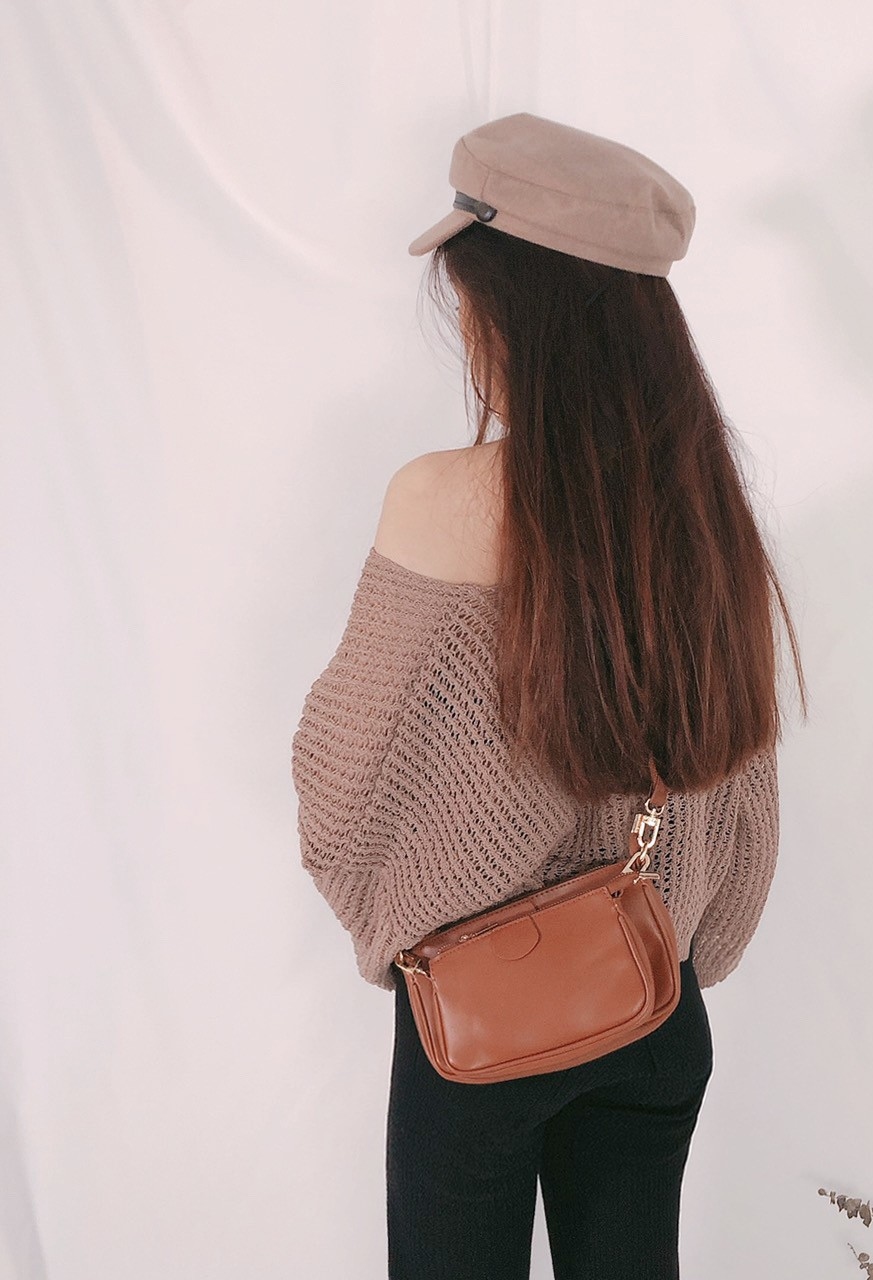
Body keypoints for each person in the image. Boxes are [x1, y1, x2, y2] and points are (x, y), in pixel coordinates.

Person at [290, 110, 808, 1280]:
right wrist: (681, 947)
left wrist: (394, 919)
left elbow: (342, 780)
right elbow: (743, 802)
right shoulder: (706, 514)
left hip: (482, 1020)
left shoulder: (442, 498)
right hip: (657, 1004)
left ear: (514, 315)